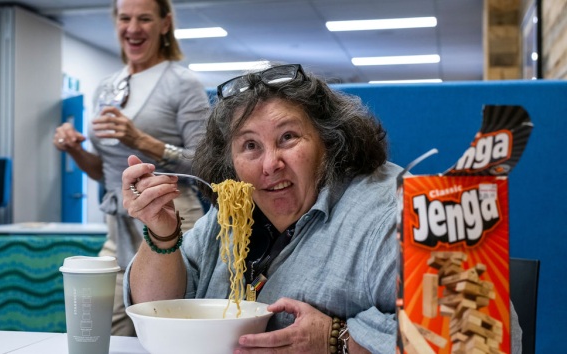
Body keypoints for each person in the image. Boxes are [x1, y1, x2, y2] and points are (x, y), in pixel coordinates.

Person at [121, 63, 522, 353]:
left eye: (288, 137)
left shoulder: (394, 211)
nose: (269, 163)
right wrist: (162, 233)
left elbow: (480, 336)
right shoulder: (230, 213)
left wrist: (339, 340)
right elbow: (157, 309)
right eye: (249, 146)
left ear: (329, 142)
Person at [53, 0, 209, 336]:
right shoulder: (107, 87)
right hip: (119, 223)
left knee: (168, 325)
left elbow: (205, 163)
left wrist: (141, 140)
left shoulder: (183, 83)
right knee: (104, 329)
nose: (133, 28)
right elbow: (107, 173)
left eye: (144, 18)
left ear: (165, 24)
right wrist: (75, 151)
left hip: (172, 216)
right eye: (125, 18)